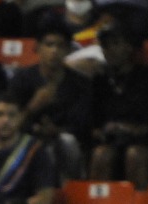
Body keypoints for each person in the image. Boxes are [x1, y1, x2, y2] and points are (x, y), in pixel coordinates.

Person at [87, 21, 148, 191]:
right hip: (111, 145)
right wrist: (105, 131)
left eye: (115, 44)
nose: (109, 50)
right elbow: (92, 123)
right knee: (101, 154)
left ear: (130, 46)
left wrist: (142, 130)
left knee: (134, 155)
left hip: (147, 146)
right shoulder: (99, 81)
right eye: (105, 46)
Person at [7, 19, 93, 181]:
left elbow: (83, 127)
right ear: (38, 48)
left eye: (60, 46)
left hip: (64, 143)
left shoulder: (80, 84)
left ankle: (68, 189)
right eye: (49, 44)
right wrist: (33, 106)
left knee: (67, 142)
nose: (54, 51)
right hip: (27, 138)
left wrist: (55, 131)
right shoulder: (21, 79)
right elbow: (10, 122)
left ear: (68, 50)